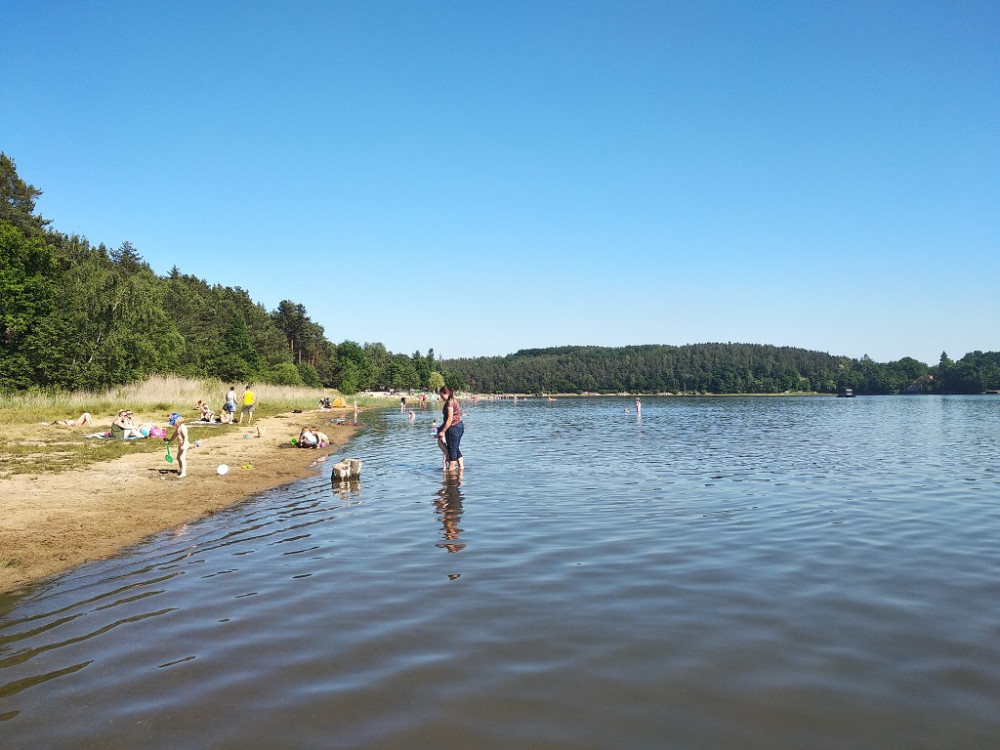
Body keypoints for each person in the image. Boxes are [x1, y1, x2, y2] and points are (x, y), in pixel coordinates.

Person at [438, 385, 464, 472]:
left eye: (442, 395)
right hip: (458, 426)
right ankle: (461, 468)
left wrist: (442, 431)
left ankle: (451, 471)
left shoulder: (450, 403)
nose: (441, 398)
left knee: (452, 450)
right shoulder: (452, 400)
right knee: (455, 448)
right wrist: (440, 428)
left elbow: (449, 419)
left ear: (447, 393)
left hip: (454, 427)